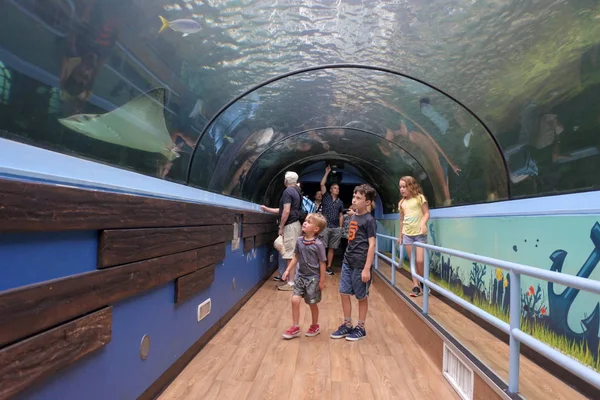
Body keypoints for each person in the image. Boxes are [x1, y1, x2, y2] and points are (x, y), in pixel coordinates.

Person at [330, 184, 377, 341]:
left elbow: (372, 245)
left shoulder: (369, 220)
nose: (354, 200)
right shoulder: (353, 217)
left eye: (358, 198)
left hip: (361, 264)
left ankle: (361, 328)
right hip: (348, 261)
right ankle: (347, 324)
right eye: (354, 197)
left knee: (361, 296)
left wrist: (366, 269)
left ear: (367, 202)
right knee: (344, 292)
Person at [281, 213, 328, 339]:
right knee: (294, 300)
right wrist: (287, 270)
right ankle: (295, 326)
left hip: (313, 279)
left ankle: (314, 325)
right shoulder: (299, 241)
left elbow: (322, 263)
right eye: (305, 220)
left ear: (316, 229)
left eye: (309, 221)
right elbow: (296, 256)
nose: (305, 222)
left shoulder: (318, 244)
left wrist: (322, 281)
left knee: (312, 303)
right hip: (300, 277)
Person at [260, 171, 303, 291]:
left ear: (286, 180)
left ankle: (291, 283)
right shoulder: (297, 191)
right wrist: (267, 209)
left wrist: (281, 227)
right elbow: (283, 209)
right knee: (292, 253)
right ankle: (292, 281)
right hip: (296, 224)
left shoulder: (288, 191)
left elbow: (286, 211)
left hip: (290, 225)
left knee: (289, 254)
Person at [397, 176, 430, 297]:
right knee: (412, 261)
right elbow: (401, 220)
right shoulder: (402, 203)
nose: (402, 189)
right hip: (407, 235)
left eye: (404, 186)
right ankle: (416, 286)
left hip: (419, 234)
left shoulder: (419, 198)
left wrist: (423, 224)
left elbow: (426, 213)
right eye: (400, 187)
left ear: (411, 186)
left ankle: (423, 283)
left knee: (420, 260)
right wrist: (400, 236)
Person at [319, 165, 344, 275]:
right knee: (322, 246)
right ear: (330, 190)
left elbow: (341, 215)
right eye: (335, 188)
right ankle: (321, 265)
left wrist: (340, 227)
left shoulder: (340, 202)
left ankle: (328, 266)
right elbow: (322, 184)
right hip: (325, 226)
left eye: (338, 188)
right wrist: (327, 172)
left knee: (332, 248)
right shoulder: (326, 197)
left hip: (335, 228)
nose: (337, 189)